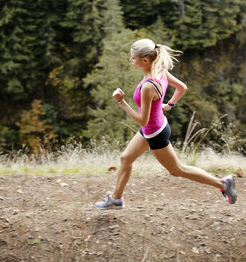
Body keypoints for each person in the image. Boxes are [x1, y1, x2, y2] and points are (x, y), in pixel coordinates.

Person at [94, 39, 237, 210]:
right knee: (126, 158)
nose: (131, 60)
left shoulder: (148, 86)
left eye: (133, 58)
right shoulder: (159, 71)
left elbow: (142, 120)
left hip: (155, 133)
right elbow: (181, 88)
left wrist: (122, 102)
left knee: (177, 170)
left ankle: (223, 184)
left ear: (145, 60)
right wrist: (167, 105)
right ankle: (116, 199)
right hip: (155, 126)